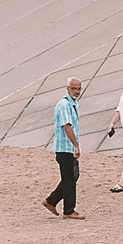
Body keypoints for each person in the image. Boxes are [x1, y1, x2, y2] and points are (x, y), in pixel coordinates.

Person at [45, 78, 86, 218]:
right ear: (67, 88)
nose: (77, 91)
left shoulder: (73, 103)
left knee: (73, 176)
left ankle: (51, 201)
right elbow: (66, 126)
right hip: (64, 147)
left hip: (68, 147)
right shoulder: (64, 105)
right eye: (74, 89)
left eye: (79, 89)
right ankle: (68, 210)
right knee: (69, 178)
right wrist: (76, 146)